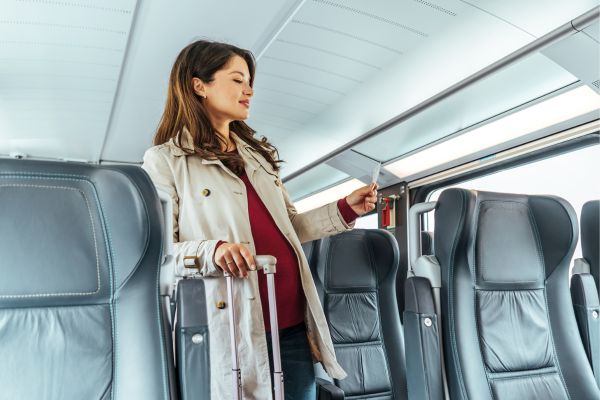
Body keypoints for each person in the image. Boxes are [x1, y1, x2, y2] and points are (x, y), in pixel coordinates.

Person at [142, 40, 377, 400]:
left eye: (249, 81)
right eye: (237, 80)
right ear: (198, 85)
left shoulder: (258, 157)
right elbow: (161, 254)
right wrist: (213, 251)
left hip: (293, 326)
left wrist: (344, 209)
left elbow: (290, 228)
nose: (249, 90)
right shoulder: (167, 160)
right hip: (234, 328)